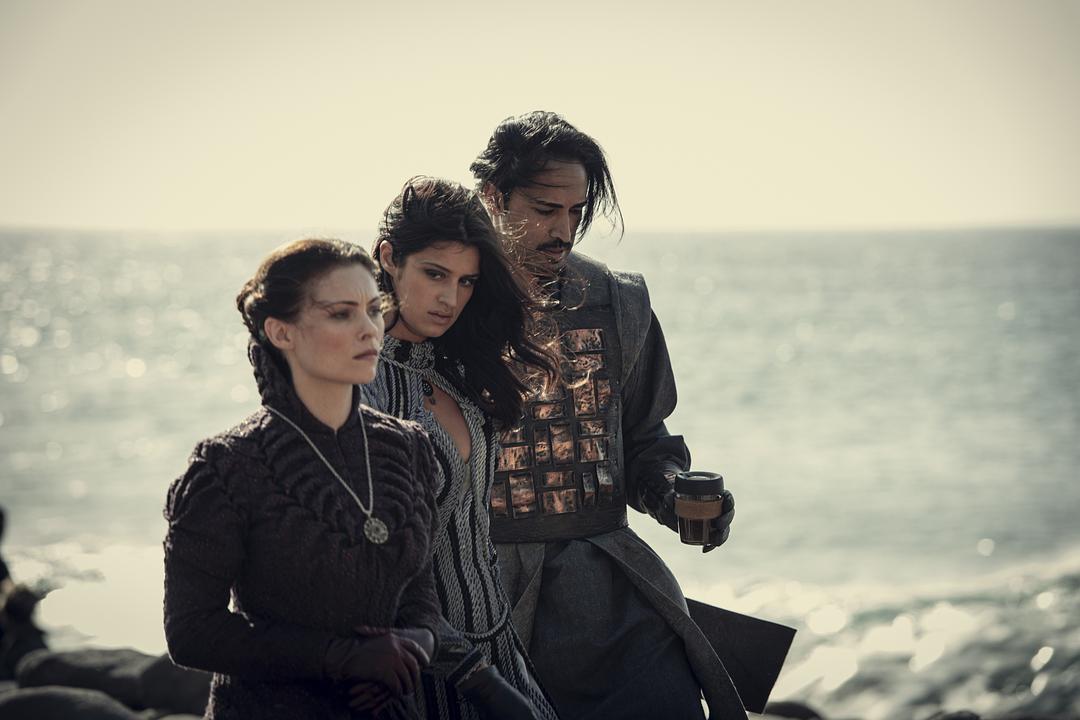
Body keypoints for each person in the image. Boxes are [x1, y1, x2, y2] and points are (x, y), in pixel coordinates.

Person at [470, 111, 744, 719]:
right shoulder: (444, 302)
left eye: (576, 211)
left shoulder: (616, 300)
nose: (562, 231)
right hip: (476, 594)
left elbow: (644, 439)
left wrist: (674, 495)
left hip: (608, 595)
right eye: (545, 209)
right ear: (493, 196)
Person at [163, 238, 441, 719]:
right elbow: (190, 631)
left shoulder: (408, 447)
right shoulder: (225, 468)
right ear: (281, 332)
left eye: (374, 311)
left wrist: (408, 650)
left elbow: (420, 594)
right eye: (341, 314)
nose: (369, 330)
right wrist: (344, 658)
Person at [362, 177, 562, 720]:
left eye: (467, 281)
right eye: (435, 274)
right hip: (420, 668)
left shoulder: (456, 364)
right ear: (389, 258)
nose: (451, 299)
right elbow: (373, 564)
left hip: (499, 643)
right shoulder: (363, 385)